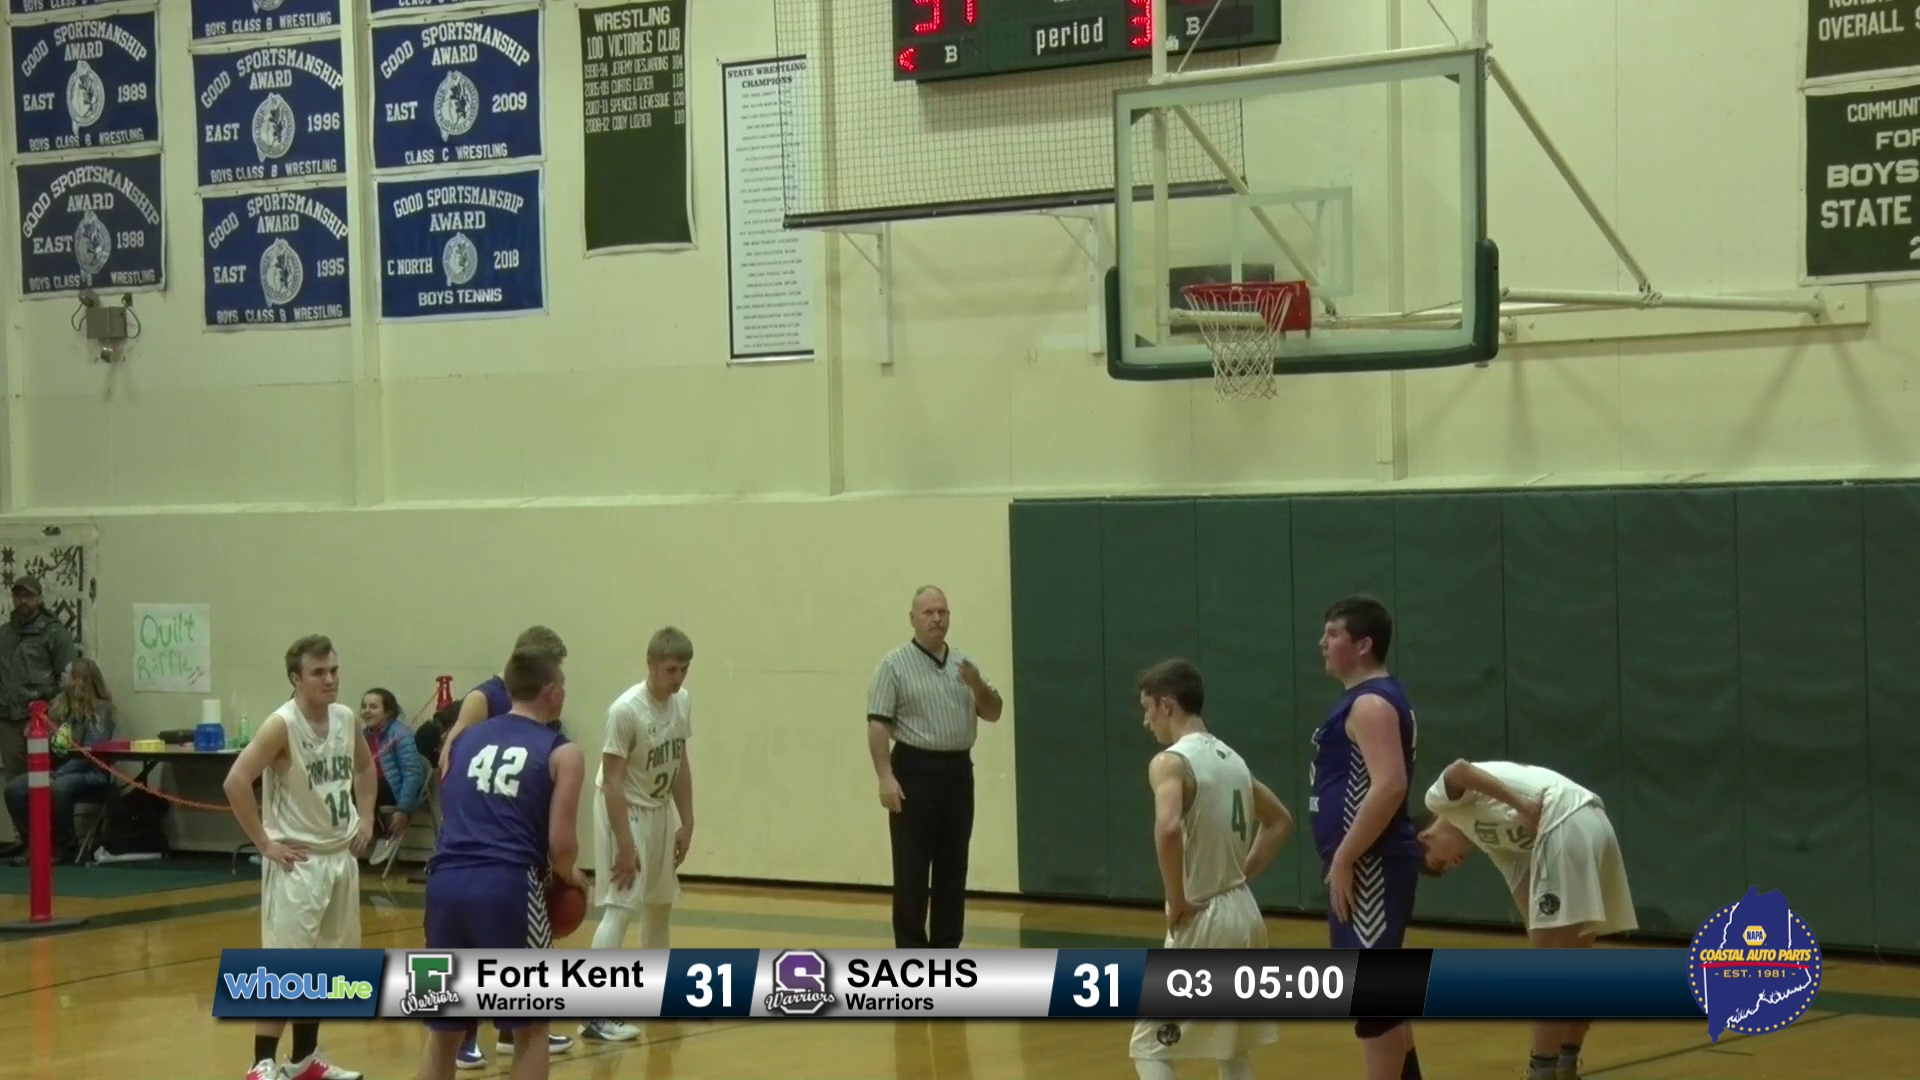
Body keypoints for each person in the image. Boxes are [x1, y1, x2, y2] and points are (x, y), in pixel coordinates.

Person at [418, 640, 586, 1080]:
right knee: (531, 1027)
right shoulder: (562, 751)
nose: (565, 692)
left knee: (444, 1030)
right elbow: (561, 844)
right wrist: (572, 878)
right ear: (550, 690)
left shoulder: (464, 738)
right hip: (507, 888)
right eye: (563, 684)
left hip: (444, 886)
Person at [1417, 759, 1637, 1080]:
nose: (1453, 864)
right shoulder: (1495, 842)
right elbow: (1527, 897)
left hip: (1564, 816)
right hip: (1593, 825)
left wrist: (1523, 805)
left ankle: (1540, 1070)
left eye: (1441, 861)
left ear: (1426, 837)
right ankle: (1565, 1062)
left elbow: (1459, 769)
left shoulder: (1438, 800)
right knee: (1570, 965)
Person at [1129, 659, 1292, 1080]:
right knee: (1230, 1048)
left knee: (1150, 1045)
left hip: (1204, 917)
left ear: (1167, 705)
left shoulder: (1171, 762)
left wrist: (1177, 899)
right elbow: (1280, 821)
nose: (1146, 720)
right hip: (1243, 912)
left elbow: (1167, 829)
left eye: (1148, 708)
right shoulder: (1233, 760)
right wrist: (1240, 876)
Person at [223, 635, 374, 1080]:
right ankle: (261, 1063)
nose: (329, 680)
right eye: (318, 673)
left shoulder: (346, 720)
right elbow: (236, 782)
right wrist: (265, 843)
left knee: (325, 965)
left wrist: (366, 817)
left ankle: (306, 1059)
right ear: (295, 678)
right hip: (298, 861)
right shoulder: (281, 725)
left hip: (338, 857)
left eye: (334, 670)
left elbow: (365, 768)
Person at [1311, 595, 1423, 1080]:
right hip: (1368, 862)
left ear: (1363, 645)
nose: (1323, 642)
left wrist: (1345, 858)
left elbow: (1391, 785)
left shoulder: (1372, 703)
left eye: (1333, 634)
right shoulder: (1366, 700)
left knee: (1371, 1001)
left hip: (1371, 865)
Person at [865, 585, 1002, 949]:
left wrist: (977, 686)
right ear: (913, 618)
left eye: (943, 611)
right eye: (928, 612)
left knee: (952, 869)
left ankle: (945, 953)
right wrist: (885, 777)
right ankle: (911, 954)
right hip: (913, 770)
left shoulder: (964, 664)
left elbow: (994, 712)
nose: (937, 618)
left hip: (957, 772)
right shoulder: (893, 665)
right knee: (911, 870)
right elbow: (877, 725)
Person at [581, 627, 696, 1044]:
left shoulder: (681, 702)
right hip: (623, 808)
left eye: (684, 669)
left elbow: (680, 761)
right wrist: (625, 844)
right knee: (620, 905)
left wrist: (688, 819)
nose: (678, 677)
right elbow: (611, 782)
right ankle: (595, 1014)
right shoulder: (625, 710)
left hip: (658, 807)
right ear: (651, 665)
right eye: (671, 669)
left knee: (659, 905)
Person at [4, 656, 118, 866]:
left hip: (90, 774)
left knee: (58, 787)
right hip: (58, 772)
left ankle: (64, 845)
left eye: (66, 673)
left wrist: (57, 773)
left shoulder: (101, 711)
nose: (61, 676)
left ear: (79, 680)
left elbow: (88, 754)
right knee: (14, 789)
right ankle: (35, 845)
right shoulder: (60, 705)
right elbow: (49, 740)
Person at [0, 575, 76, 857]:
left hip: (41, 720)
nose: (23, 602)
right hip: (8, 718)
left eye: (29, 596)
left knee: (41, 782)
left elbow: (67, 679)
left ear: (40, 598)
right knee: (15, 783)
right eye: (18, 596)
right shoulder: (5, 634)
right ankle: (29, 841)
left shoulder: (54, 633)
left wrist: (50, 716)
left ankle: (49, 843)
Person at [359, 688, 427, 869]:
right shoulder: (364, 735)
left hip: (394, 790)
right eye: (364, 706)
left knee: (363, 785)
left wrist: (404, 809)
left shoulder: (401, 734)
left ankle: (385, 834)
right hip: (375, 787)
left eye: (373, 707)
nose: (366, 711)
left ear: (388, 712)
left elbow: (413, 773)